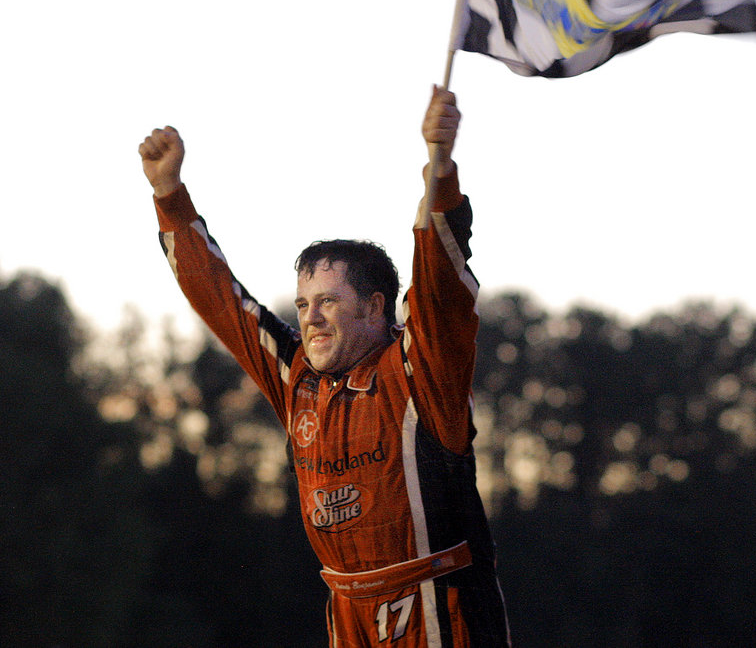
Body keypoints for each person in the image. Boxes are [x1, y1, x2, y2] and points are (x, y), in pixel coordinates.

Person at [138, 87, 511, 647]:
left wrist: (438, 167)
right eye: (304, 305)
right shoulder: (297, 379)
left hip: (441, 606)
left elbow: (439, 286)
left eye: (330, 302)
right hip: (346, 612)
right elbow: (224, 302)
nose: (310, 319)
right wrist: (169, 193)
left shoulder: (420, 370)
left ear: (375, 308)